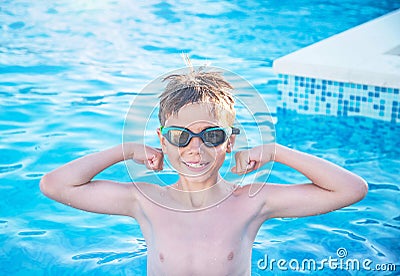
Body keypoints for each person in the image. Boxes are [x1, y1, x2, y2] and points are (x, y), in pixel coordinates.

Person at [40, 66, 368, 275]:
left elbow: (351, 189)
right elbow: (56, 185)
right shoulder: (145, 200)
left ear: (229, 142)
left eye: (211, 135)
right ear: (162, 142)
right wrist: (125, 150)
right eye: (180, 136)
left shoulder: (253, 201)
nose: (194, 149)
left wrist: (275, 152)